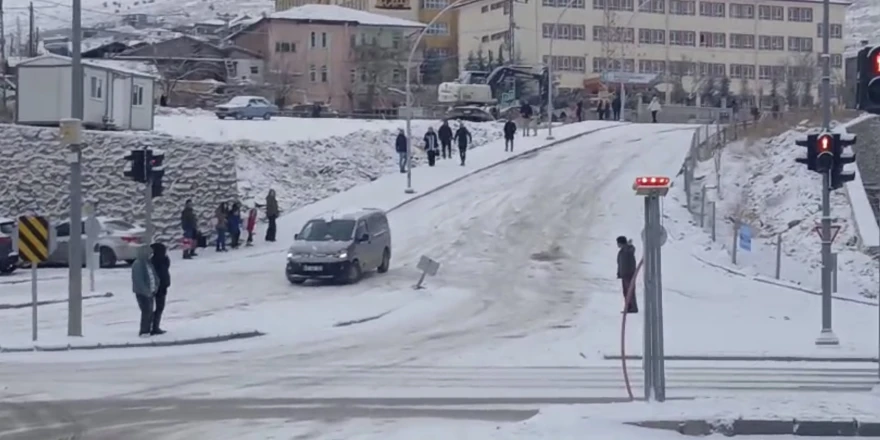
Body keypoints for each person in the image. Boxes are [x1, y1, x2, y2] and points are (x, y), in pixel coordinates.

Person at [131, 244, 158, 337]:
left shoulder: (148, 263)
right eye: (149, 253)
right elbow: (138, 280)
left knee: (150, 311)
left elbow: (153, 275)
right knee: (146, 311)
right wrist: (146, 291)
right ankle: (144, 331)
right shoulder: (138, 264)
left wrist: (156, 285)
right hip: (142, 293)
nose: (151, 255)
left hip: (150, 292)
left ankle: (148, 329)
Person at [149, 242, 170, 335]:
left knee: (158, 308)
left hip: (161, 286)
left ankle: (153, 325)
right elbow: (162, 274)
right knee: (159, 307)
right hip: (159, 287)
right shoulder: (158, 261)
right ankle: (154, 326)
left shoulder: (157, 260)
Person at [617, 236, 638, 314]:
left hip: (628, 274)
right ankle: (628, 307)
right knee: (626, 291)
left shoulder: (627, 251)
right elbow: (620, 263)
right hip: (625, 274)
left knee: (630, 291)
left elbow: (629, 262)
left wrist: (628, 272)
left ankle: (633, 307)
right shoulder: (623, 251)